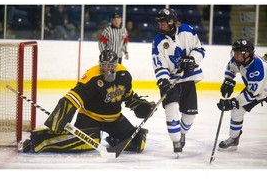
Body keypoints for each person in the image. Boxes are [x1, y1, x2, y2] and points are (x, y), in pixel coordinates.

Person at [22, 50, 155, 154]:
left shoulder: (124, 75)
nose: (106, 69)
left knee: (137, 141)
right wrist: (61, 115)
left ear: (116, 65)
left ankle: (114, 139)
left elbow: (128, 95)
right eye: (103, 65)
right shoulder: (92, 76)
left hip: (114, 119)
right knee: (88, 142)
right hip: (90, 117)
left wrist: (140, 106)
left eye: (109, 65)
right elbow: (74, 97)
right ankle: (39, 140)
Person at [151, 8, 206, 155]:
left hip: (187, 78)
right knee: (172, 109)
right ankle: (176, 141)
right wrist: (163, 80)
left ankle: (182, 133)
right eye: (159, 23)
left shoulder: (187, 31)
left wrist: (192, 59)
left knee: (190, 115)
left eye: (164, 22)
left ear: (172, 22)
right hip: (170, 80)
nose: (161, 25)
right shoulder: (158, 40)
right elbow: (159, 63)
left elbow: (200, 49)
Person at [217, 39, 267, 151]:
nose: (237, 56)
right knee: (237, 110)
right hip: (256, 88)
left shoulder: (257, 68)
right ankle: (234, 138)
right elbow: (231, 68)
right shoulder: (238, 60)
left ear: (249, 54)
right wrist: (228, 80)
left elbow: (253, 94)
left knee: (236, 105)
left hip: (261, 88)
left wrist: (232, 102)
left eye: (241, 53)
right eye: (236, 53)